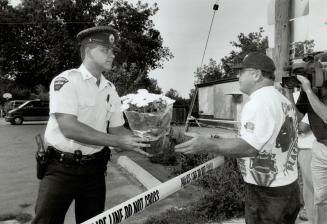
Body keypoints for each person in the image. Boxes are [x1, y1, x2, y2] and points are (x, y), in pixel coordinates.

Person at [32, 26, 149, 224]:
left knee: (93, 222)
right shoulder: (66, 81)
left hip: (94, 170)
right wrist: (117, 141)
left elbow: (117, 128)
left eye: (113, 50)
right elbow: (69, 127)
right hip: (61, 168)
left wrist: (143, 139)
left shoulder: (110, 89)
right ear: (88, 50)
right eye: (105, 50)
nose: (112, 55)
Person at [175, 52, 301, 224]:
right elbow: (267, 137)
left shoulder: (259, 102)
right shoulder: (282, 99)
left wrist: (208, 144)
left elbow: (249, 147)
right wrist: (225, 141)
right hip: (288, 187)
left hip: (267, 194)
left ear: (256, 74)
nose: (237, 76)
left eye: (242, 72)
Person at [292, 77, 327, 224]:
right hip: (319, 146)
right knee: (320, 199)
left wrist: (307, 89)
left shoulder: (309, 90)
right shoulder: (308, 92)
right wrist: (288, 93)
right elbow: (297, 117)